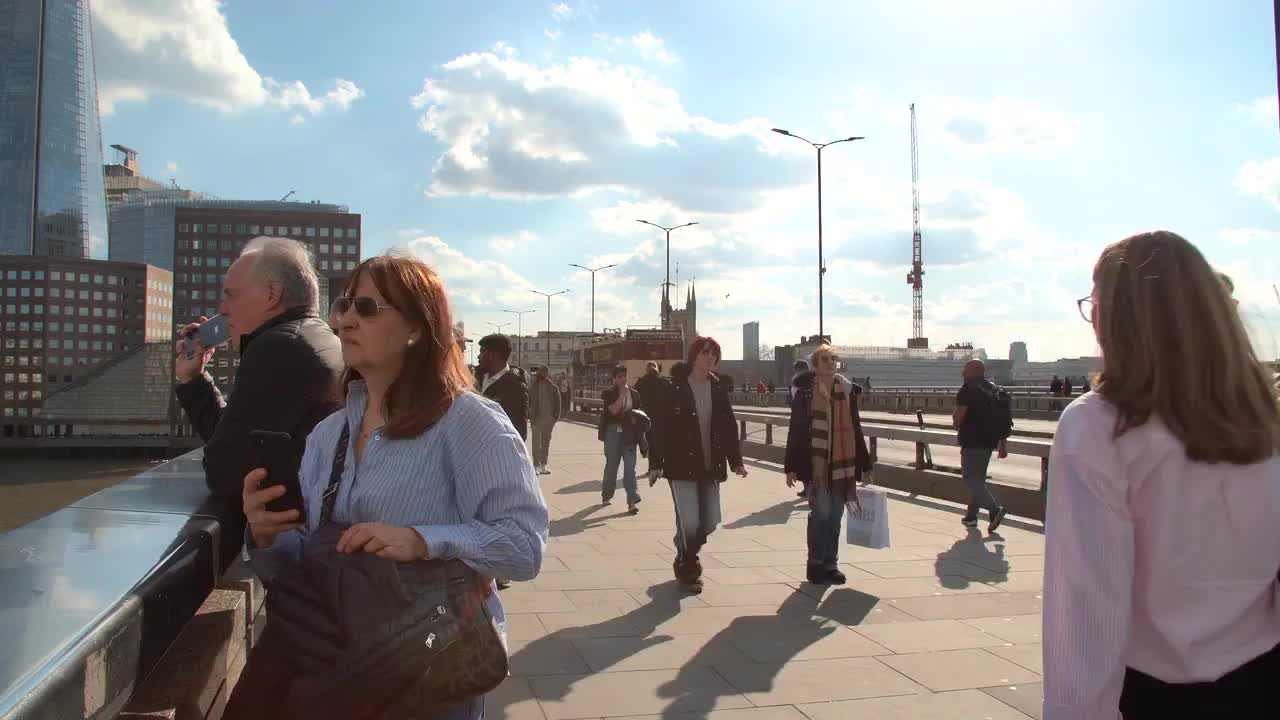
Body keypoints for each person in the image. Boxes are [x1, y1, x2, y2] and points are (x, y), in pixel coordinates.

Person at [225, 254, 549, 720]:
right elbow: (311, 563)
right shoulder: (327, 435)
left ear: (417, 327)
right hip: (340, 670)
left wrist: (421, 540)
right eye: (343, 306)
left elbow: (524, 548)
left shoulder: (469, 423)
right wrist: (265, 535)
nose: (346, 320)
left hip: (431, 673)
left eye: (367, 307)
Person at [1044, 231, 1280, 719]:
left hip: (1155, 690)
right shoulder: (1264, 415)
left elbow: (1088, 603)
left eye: (1096, 305)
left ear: (1120, 319)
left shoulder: (1098, 425)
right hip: (1262, 677)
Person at [174, 236, 344, 554]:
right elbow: (236, 442)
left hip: (296, 552)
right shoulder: (320, 337)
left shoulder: (278, 347)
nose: (222, 310)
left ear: (271, 295)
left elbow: (224, 471)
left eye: (231, 295)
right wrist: (193, 379)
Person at [649, 336, 747, 594]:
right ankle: (688, 568)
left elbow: (728, 426)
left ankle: (683, 543)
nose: (710, 357)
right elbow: (660, 427)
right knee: (691, 522)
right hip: (680, 465)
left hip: (710, 465)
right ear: (694, 356)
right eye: (705, 352)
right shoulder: (674, 387)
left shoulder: (718, 388)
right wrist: (656, 463)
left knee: (710, 521)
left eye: (714, 353)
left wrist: (735, 461)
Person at [783, 345, 873, 585]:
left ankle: (831, 564)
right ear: (814, 365)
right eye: (825, 359)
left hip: (842, 466)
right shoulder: (805, 393)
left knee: (835, 516)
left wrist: (866, 464)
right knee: (821, 513)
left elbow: (855, 428)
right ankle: (815, 563)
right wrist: (790, 466)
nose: (831, 362)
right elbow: (796, 429)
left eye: (834, 358)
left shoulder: (846, 391)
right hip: (817, 466)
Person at [952, 359, 1009, 533]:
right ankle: (971, 516)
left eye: (965, 369)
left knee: (970, 479)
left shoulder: (967, 390)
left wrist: (956, 422)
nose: (962, 373)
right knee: (978, 480)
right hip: (989, 442)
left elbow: (958, 419)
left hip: (972, 441)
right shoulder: (995, 390)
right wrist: (1003, 443)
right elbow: (1005, 419)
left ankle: (994, 510)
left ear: (973, 371)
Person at [599, 365, 644, 513]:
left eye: (624, 376)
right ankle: (607, 494)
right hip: (613, 432)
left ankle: (632, 500)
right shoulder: (608, 393)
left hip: (630, 433)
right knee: (612, 466)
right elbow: (613, 410)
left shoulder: (635, 394)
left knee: (630, 467)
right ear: (614, 379)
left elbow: (639, 413)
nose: (623, 379)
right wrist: (621, 395)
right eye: (619, 377)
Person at [476, 334, 529, 442]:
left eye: (482, 352)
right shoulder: (473, 379)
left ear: (492, 355)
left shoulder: (515, 387)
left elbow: (519, 432)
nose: (478, 356)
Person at [634, 360, 670, 465]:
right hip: (662, 417)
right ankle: (660, 464)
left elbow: (635, 397)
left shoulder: (641, 381)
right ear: (657, 368)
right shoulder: (664, 380)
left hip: (646, 416)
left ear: (646, 370)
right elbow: (670, 397)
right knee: (661, 440)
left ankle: (652, 466)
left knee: (650, 441)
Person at [529, 365, 561, 475]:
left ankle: (543, 465)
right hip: (536, 419)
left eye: (542, 371)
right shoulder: (533, 387)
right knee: (536, 443)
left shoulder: (553, 388)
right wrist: (530, 413)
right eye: (539, 371)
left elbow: (558, 403)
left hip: (548, 420)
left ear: (546, 373)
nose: (540, 373)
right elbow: (528, 401)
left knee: (545, 443)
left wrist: (555, 418)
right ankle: (536, 465)